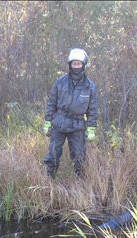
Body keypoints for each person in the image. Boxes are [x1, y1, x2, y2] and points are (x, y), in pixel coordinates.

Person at [43, 48, 98, 178]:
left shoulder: (90, 86)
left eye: (79, 64)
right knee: (53, 156)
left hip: (78, 125)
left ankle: (79, 185)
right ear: (70, 65)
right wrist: (47, 122)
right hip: (59, 123)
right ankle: (49, 182)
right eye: (74, 64)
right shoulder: (60, 82)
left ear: (83, 65)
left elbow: (93, 109)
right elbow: (52, 103)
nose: (76, 66)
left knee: (79, 158)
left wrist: (91, 128)